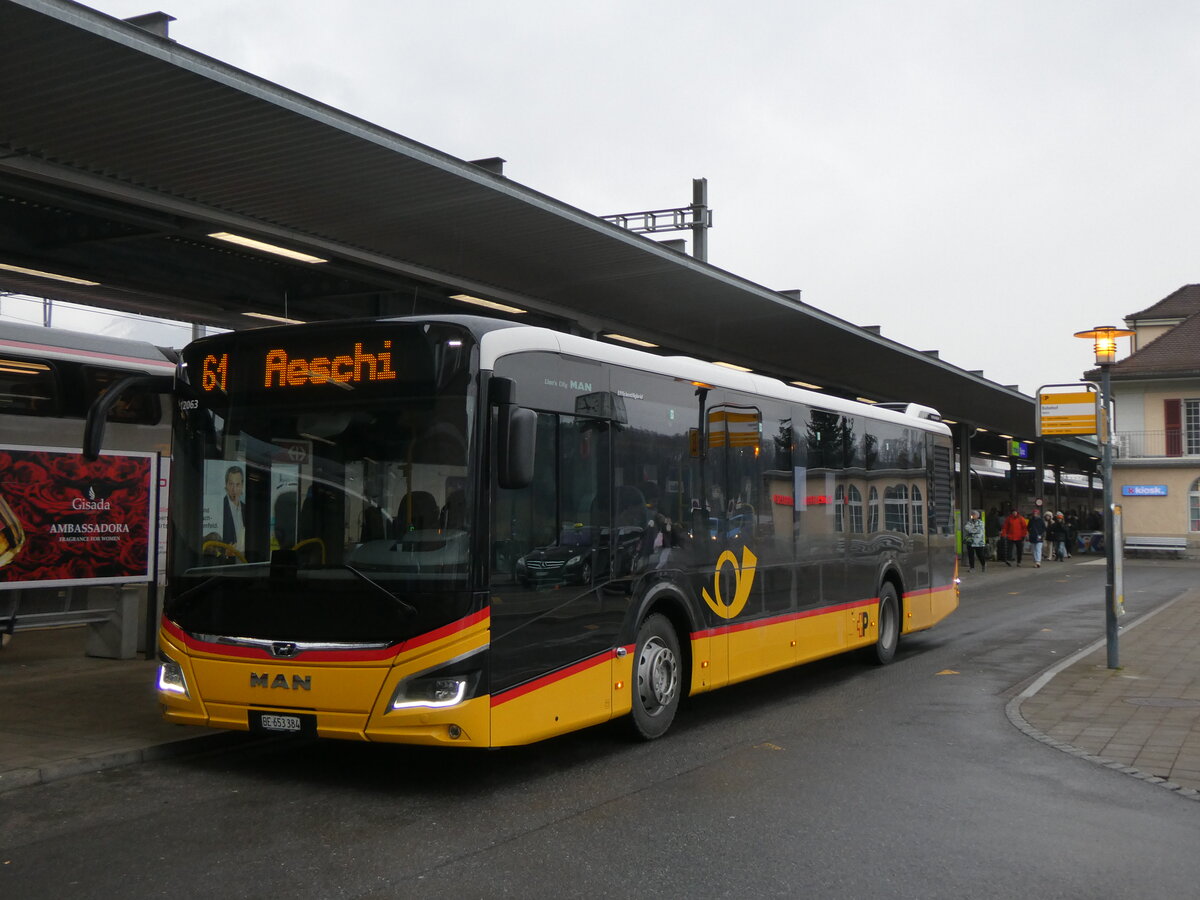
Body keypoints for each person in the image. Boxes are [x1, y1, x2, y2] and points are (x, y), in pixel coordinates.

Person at [221, 464, 246, 552]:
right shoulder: (220, 507)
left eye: (237, 484)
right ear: (226, 485)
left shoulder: (246, 509)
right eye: (231, 484)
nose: (234, 489)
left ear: (242, 485)